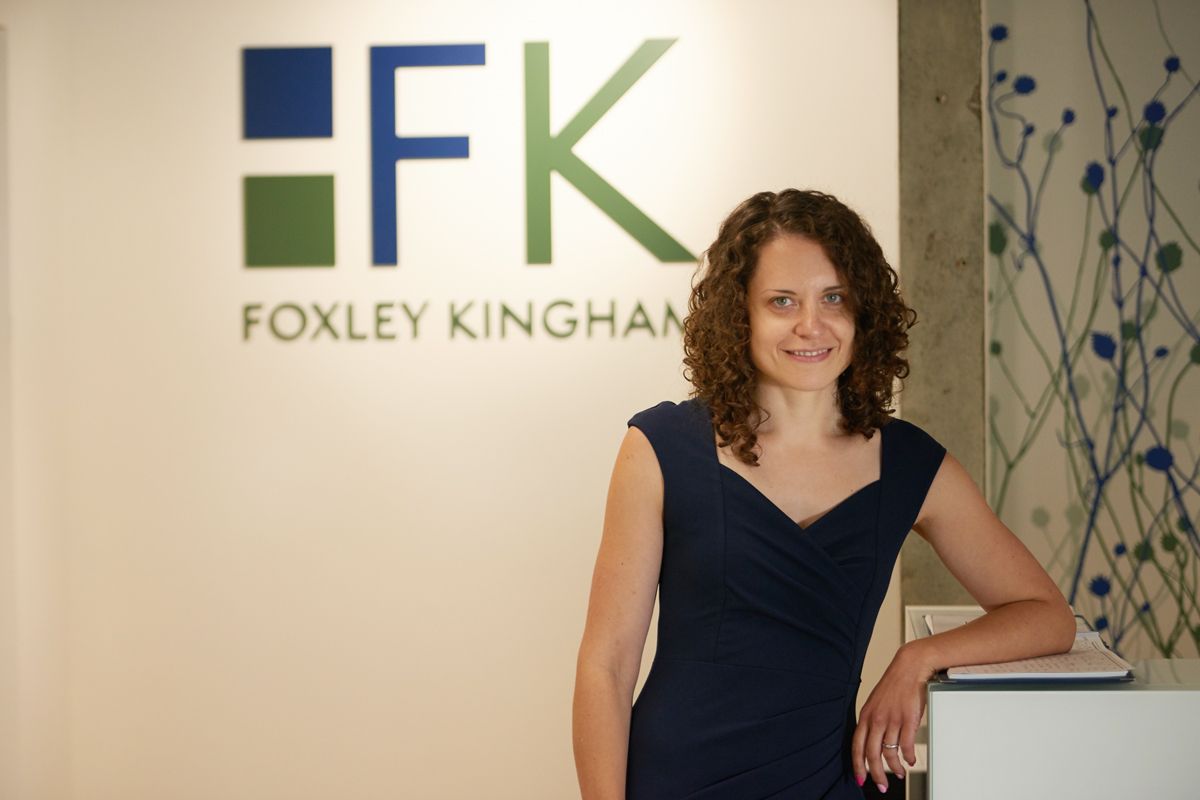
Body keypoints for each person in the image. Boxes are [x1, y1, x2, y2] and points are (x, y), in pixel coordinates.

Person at [572, 189, 1076, 799]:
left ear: (863, 311)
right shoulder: (659, 448)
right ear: (742, 315)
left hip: (826, 778)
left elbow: (1047, 615)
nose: (811, 325)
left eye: (833, 298)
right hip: (677, 778)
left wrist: (918, 661)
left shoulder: (912, 465)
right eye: (782, 301)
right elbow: (607, 666)